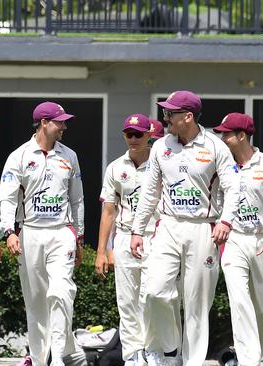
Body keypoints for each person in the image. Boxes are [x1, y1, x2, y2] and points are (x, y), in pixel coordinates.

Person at [130, 91, 240, 365]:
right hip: (167, 225)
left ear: (187, 117)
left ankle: (191, 361)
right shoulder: (160, 147)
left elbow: (233, 187)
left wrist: (226, 221)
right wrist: (136, 229)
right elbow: (149, 194)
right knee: (155, 291)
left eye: (169, 113)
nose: (164, 118)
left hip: (203, 228)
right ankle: (168, 350)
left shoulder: (215, 147)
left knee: (196, 304)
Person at [0, 101, 87, 366]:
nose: (64, 126)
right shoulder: (19, 156)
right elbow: (7, 197)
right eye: (60, 121)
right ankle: (39, 360)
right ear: (44, 123)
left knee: (60, 292)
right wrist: (9, 232)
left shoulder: (69, 156)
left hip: (61, 233)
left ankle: (59, 357)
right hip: (30, 233)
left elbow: (77, 200)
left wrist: (79, 237)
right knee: (36, 302)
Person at [212, 113, 263, 365]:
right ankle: (247, 361)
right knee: (239, 300)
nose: (222, 138)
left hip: (261, 242)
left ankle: (252, 357)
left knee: (260, 307)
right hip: (233, 241)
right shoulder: (221, 165)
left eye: (227, 133)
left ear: (241, 136)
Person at [95, 114, 158, 365]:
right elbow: (109, 212)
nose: (133, 139)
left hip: (153, 236)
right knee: (126, 300)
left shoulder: (160, 162)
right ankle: (133, 356)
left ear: (149, 135)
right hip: (123, 237)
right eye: (128, 134)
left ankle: (152, 351)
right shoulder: (115, 167)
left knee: (151, 296)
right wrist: (102, 251)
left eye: (138, 134)